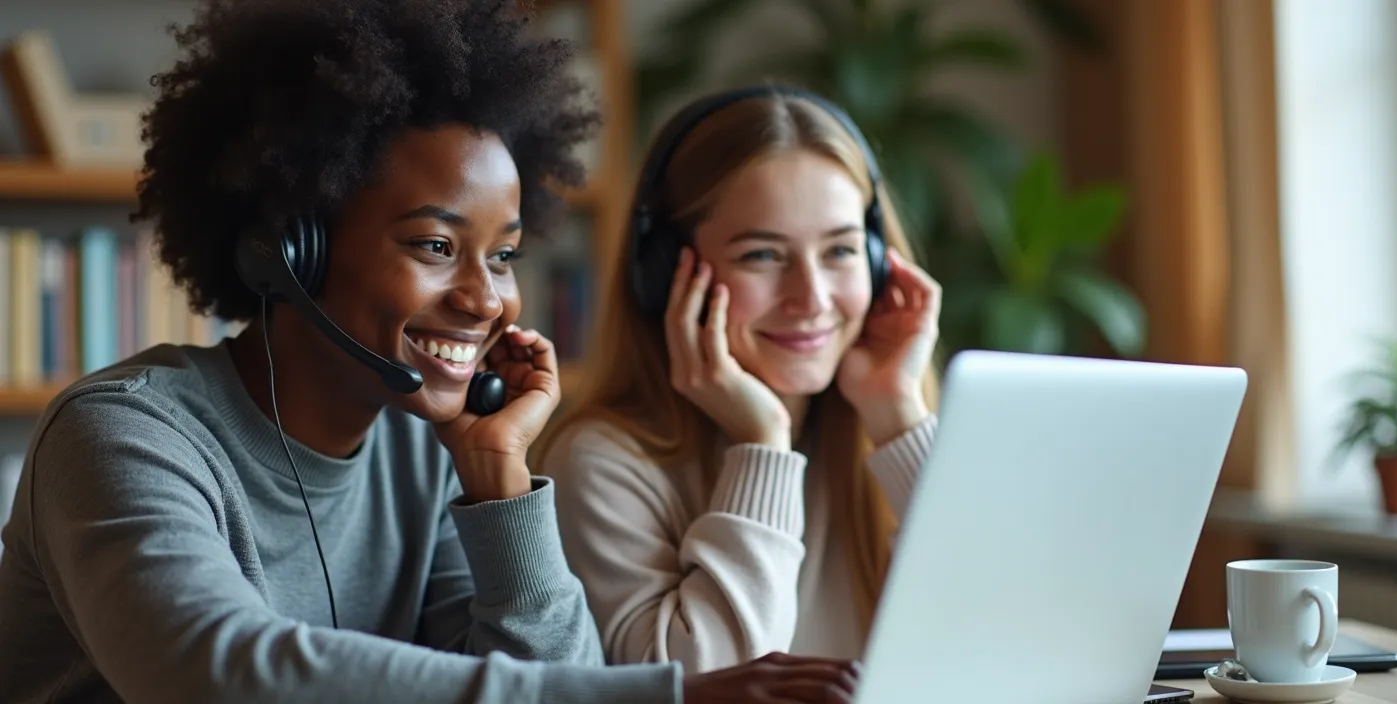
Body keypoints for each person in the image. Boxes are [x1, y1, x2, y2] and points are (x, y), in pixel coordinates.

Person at [0, 3, 862, 703]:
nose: (486, 299)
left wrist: (498, 479)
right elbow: (214, 671)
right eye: (436, 247)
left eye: (504, 254)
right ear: (288, 249)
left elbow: (537, 682)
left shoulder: (427, 453)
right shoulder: (123, 435)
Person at [538, 84, 944, 674]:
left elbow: (1013, 638)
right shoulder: (602, 462)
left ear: (881, 263)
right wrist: (762, 444)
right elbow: (709, 684)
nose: (812, 298)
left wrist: (897, 413)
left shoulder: (881, 432)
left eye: (841, 251)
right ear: (664, 274)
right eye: (763, 255)